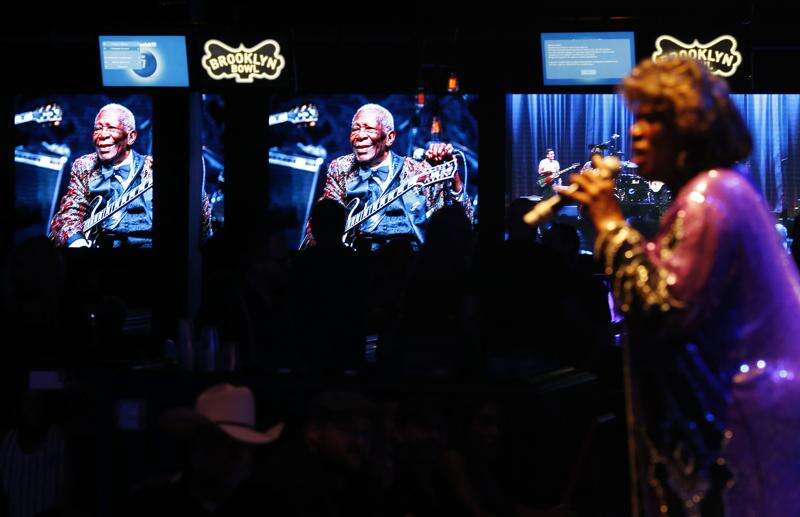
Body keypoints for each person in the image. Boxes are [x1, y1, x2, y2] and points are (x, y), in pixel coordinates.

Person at [557, 56, 800, 515]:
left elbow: (662, 308)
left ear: (688, 130)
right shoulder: (722, 190)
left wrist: (609, 224)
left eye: (651, 120)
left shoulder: (709, 199)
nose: (635, 133)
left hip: (739, 426)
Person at [303, 103, 472, 251]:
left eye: (369, 128)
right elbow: (320, 225)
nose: (359, 136)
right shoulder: (341, 167)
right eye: (355, 129)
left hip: (407, 265)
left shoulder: (418, 171)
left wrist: (455, 179)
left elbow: (462, 223)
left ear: (390, 138)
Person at [125, 384, 288, 516]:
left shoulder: (269, 507)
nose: (234, 455)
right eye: (220, 442)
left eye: (242, 444)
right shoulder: (151, 505)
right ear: (196, 446)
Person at [49, 104, 154, 248]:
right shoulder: (85, 165)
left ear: (131, 137)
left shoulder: (150, 168)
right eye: (98, 128)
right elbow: (69, 212)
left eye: (111, 128)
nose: (102, 135)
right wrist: (78, 243)